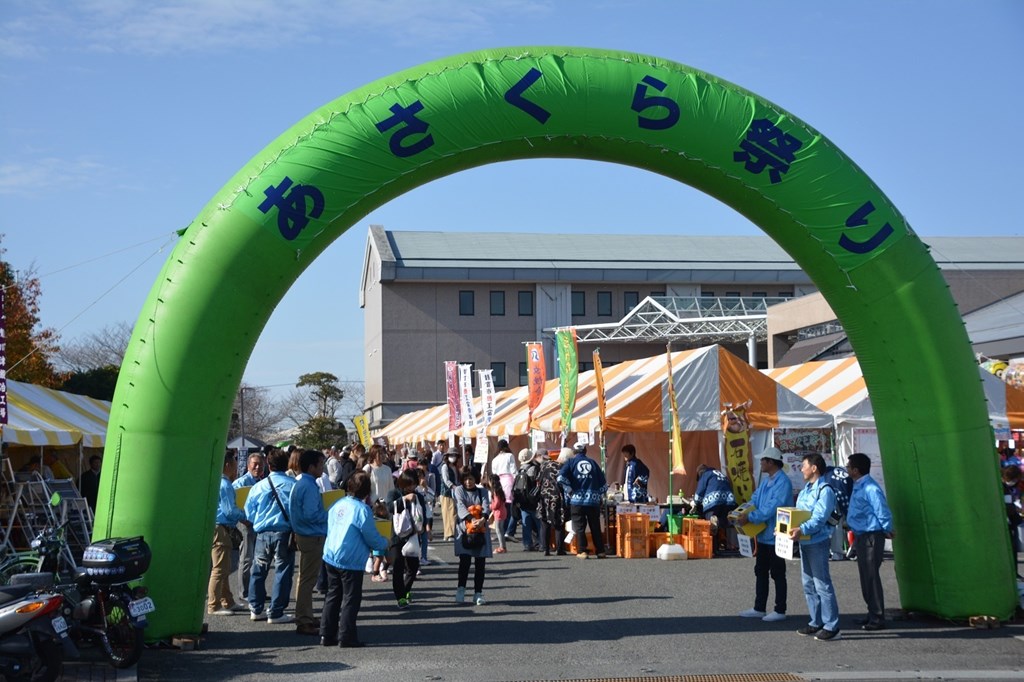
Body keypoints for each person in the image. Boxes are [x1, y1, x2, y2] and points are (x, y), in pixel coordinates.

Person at [320, 471, 389, 648]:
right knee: (351, 598)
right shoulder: (362, 510)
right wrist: (385, 542)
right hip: (349, 558)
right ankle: (346, 636)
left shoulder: (338, 503)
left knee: (333, 596)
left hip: (331, 553)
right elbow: (371, 536)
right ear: (367, 491)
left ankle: (326, 634)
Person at [735, 446, 793, 622]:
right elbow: (754, 499)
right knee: (760, 570)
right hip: (763, 533)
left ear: (771, 462)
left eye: (763, 460)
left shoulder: (783, 482)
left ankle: (780, 609)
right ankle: (759, 607)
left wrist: (749, 516)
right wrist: (742, 512)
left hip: (778, 533)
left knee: (777, 572)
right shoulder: (767, 480)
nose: (760, 463)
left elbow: (771, 508)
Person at [788, 453, 841, 641]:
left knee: (822, 583)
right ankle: (816, 621)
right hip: (804, 541)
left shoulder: (825, 490)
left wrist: (801, 529)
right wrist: (786, 529)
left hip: (817, 542)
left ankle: (832, 625)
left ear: (814, 468)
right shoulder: (805, 490)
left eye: (804, 465)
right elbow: (798, 514)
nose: (801, 469)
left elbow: (819, 518)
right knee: (808, 583)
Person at [243, 448, 297, 624]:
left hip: (262, 533)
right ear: (286, 463)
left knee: (258, 571)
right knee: (282, 572)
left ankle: (255, 608)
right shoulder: (292, 485)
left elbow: (249, 512)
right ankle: (276, 611)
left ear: (268, 464)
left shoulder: (259, 486)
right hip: (284, 533)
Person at [845, 452, 894, 631]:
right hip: (861, 535)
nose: (846, 469)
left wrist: (888, 528)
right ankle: (871, 613)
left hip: (871, 535)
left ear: (856, 470)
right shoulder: (859, 485)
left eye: (848, 467)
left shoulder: (870, 487)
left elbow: (881, 509)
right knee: (865, 577)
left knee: (871, 577)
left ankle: (877, 617)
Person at [289, 449, 329, 635]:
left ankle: (305, 614)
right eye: (320, 464)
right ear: (312, 466)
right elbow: (311, 514)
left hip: (304, 534)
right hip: (312, 535)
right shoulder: (309, 486)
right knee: (307, 580)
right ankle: (304, 620)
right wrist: (330, 514)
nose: (322, 467)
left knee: (304, 578)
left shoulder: (300, 483)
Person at [208, 450, 249, 616]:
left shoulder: (219, 482)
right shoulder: (224, 485)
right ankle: (213, 605)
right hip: (221, 528)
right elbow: (229, 511)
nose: (235, 468)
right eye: (234, 463)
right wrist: (245, 516)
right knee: (219, 569)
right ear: (227, 465)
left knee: (224, 568)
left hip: (219, 528)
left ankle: (227, 600)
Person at [557, 443, 608, 559]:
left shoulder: (570, 463)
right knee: (595, 525)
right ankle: (600, 551)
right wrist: (596, 493)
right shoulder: (593, 463)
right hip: (593, 501)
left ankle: (582, 551)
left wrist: (569, 490)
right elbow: (604, 485)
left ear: (574, 452)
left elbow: (560, 478)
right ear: (585, 451)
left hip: (576, 500)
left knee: (580, 527)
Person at [385, 470, 426, 609]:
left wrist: (424, 528)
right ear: (402, 483)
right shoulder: (394, 493)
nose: (411, 488)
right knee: (398, 567)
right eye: (408, 484)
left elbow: (423, 514)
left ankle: (406, 590)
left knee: (413, 567)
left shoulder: (418, 496)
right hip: (396, 536)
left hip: (413, 536)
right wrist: (404, 499)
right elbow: (389, 507)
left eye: (413, 485)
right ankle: (400, 597)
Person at [453, 468, 492, 605]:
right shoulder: (459, 490)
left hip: (481, 529)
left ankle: (478, 593)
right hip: (465, 529)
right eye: (465, 479)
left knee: (480, 563)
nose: (468, 482)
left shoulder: (483, 491)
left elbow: (486, 506)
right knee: (465, 561)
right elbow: (460, 506)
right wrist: (470, 518)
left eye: (471, 479)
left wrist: (482, 519)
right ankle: (461, 590)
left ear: (476, 479)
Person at [232, 452, 265, 601]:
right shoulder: (241, 483)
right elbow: (234, 505)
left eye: (260, 464)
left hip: (258, 524)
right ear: (248, 465)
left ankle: (256, 591)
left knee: (258, 559)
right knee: (246, 558)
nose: (257, 467)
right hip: (245, 524)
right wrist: (244, 519)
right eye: (254, 464)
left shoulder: (261, 482)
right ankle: (244, 592)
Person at [693, 463, 738, 556]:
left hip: (714, 502)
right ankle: (726, 522)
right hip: (729, 501)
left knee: (709, 520)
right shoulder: (720, 473)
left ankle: (712, 549)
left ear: (700, 472)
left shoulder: (705, 474)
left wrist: (694, 502)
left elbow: (699, 493)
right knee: (724, 519)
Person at [538, 448, 571, 556]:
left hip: (544, 496)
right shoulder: (564, 468)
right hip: (557, 497)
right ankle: (560, 549)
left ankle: (545, 548)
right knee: (558, 524)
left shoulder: (545, 465)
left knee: (545, 523)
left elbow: (538, 478)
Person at [489, 439, 520, 543]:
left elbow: (494, 474)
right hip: (508, 480)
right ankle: (509, 531)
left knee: (502, 506)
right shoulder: (509, 456)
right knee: (512, 507)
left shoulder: (495, 459)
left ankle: (503, 530)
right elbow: (514, 470)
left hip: (499, 482)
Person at [514, 448, 543, 551]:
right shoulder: (535, 468)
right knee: (539, 523)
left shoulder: (520, 470)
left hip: (523, 501)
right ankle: (541, 543)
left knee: (526, 524)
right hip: (533, 500)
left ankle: (527, 544)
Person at [439, 447, 460, 541]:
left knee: (453, 513)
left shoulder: (455, 467)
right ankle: (449, 534)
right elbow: (445, 479)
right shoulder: (445, 467)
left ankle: (450, 533)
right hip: (446, 493)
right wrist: (453, 486)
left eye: (455, 455)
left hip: (454, 492)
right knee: (448, 513)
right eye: (451, 455)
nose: (453, 457)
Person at [484, 474, 508, 554]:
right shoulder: (499, 490)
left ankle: (502, 547)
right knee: (501, 529)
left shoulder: (495, 491)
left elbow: (496, 503)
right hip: (502, 511)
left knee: (498, 530)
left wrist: (490, 506)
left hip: (498, 512)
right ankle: (503, 546)